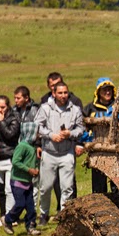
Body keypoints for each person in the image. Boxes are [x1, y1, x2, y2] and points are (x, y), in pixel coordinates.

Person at [35, 81, 85, 226]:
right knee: (45, 187)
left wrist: (70, 133)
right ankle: (44, 213)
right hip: (49, 152)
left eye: (65, 93)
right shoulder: (45, 108)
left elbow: (81, 129)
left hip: (67, 152)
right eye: (60, 93)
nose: (63, 96)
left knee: (67, 186)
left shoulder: (75, 109)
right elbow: (37, 126)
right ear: (54, 93)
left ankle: (64, 215)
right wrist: (50, 135)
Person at [0, 95, 20, 230]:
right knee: (0, 190)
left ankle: (10, 218)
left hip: (9, 156)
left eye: (3, 107)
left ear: (8, 106)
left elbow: (11, 135)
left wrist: (1, 122)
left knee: (9, 189)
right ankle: (2, 216)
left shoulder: (14, 118)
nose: (0, 110)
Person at [1, 122, 40, 236]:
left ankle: (31, 227)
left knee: (31, 207)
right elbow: (15, 161)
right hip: (18, 181)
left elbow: (34, 161)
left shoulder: (33, 147)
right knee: (20, 204)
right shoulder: (22, 146)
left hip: (28, 182)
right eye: (37, 132)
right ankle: (7, 220)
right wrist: (29, 170)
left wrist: (36, 168)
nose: (38, 134)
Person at [82, 77, 117, 194]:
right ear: (98, 92)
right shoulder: (90, 109)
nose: (107, 92)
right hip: (97, 150)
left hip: (116, 150)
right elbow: (82, 127)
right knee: (98, 185)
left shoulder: (118, 107)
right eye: (104, 90)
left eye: (109, 90)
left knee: (116, 184)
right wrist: (88, 140)